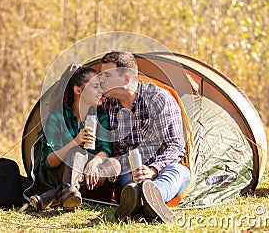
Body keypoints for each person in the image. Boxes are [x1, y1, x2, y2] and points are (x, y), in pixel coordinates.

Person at [99, 51, 190, 223]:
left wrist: (153, 169)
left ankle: (153, 196)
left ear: (126, 79)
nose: (101, 81)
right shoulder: (106, 105)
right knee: (126, 184)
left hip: (163, 167)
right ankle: (140, 201)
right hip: (129, 171)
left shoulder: (159, 99)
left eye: (107, 76)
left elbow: (175, 145)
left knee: (179, 172)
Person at [29, 64, 121, 212]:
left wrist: (95, 162)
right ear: (78, 90)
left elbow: (105, 149)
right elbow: (48, 162)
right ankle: (67, 192)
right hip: (61, 172)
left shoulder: (101, 116)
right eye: (95, 87)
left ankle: (59, 194)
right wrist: (75, 142)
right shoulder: (57, 117)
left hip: (91, 178)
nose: (101, 91)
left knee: (115, 164)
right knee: (77, 153)